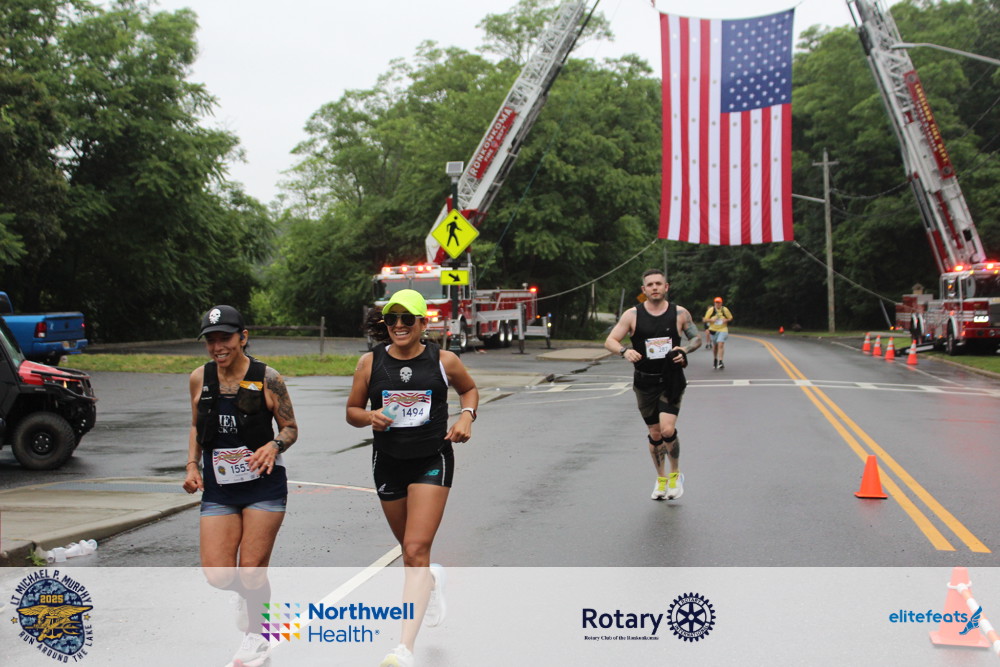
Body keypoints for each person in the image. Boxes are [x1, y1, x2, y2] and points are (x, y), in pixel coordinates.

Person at [347, 289, 479, 667]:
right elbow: (352, 411)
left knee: (416, 550)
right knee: (410, 552)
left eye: (407, 319)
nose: (399, 325)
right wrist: (369, 417)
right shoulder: (370, 363)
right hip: (388, 462)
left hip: (432, 460)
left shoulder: (444, 360)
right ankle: (430, 582)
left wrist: (467, 416)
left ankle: (403, 648)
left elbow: (469, 390)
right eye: (392, 319)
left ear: (423, 323)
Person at [182, 305, 299, 667]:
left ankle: (258, 635)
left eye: (225, 338)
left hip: (264, 487)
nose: (218, 346)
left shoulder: (268, 378)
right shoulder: (199, 378)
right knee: (218, 577)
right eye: (211, 340)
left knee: (250, 571)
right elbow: (196, 426)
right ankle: (250, 597)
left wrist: (274, 445)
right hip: (220, 489)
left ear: (243, 337)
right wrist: (192, 464)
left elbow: (290, 428)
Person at [604, 269, 701, 501]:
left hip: (671, 379)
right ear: (644, 289)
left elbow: (696, 338)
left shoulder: (679, 313)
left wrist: (684, 349)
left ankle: (675, 475)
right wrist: (625, 351)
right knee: (655, 434)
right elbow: (610, 340)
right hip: (645, 381)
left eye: (659, 283)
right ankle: (661, 479)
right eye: (650, 284)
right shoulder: (632, 315)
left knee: (667, 430)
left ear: (666, 287)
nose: (655, 287)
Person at [703, 297, 734, 370]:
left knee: (721, 343)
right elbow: (705, 319)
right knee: (715, 346)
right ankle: (715, 359)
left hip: (723, 329)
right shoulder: (711, 310)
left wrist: (726, 320)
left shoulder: (724, 310)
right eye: (716, 302)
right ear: (714, 303)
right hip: (713, 330)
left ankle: (720, 361)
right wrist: (711, 320)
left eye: (719, 302)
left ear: (721, 303)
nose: (718, 304)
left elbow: (730, 318)